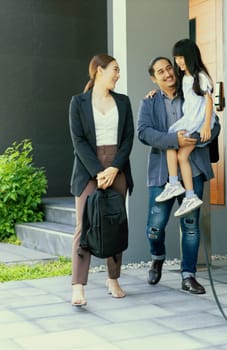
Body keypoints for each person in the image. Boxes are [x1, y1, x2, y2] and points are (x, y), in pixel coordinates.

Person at [137, 55, 220, 293]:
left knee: (191, 225)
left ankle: (188, 275)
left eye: (168, 69)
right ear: (154, 79)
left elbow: (214, 124)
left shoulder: (190, 89)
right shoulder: (149, 103)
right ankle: (158, 256)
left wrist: (199, 137)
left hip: (193, 170)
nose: (167, 73)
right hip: (162, 172)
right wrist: (174, 140)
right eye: (160, 72)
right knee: (155, 227)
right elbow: (144, 133)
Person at [69, 54, 134, 306]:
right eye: (115, 70)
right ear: (99, 70)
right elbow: (79, 142)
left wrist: (114, 169)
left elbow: (128, 139)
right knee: (83, 225)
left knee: (114, 222)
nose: (118, 75)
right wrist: (99, 171)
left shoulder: (124, 102)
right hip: (88, 168)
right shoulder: (78, 102)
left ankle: (113, 279)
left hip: (118, 167)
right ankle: (78, 285)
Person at [154, 39, 216, 218]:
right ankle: (187, 193)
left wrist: (206, 126)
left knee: (173, 144)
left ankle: (177, 186)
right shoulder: (185, 78)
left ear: (190, 56)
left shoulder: (200, 76)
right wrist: (154, 93)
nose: (179, 62)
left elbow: (209, 100)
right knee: (178, 152)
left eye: (181, 57)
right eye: (176, 58)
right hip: (191, 120)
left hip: (197, 123)